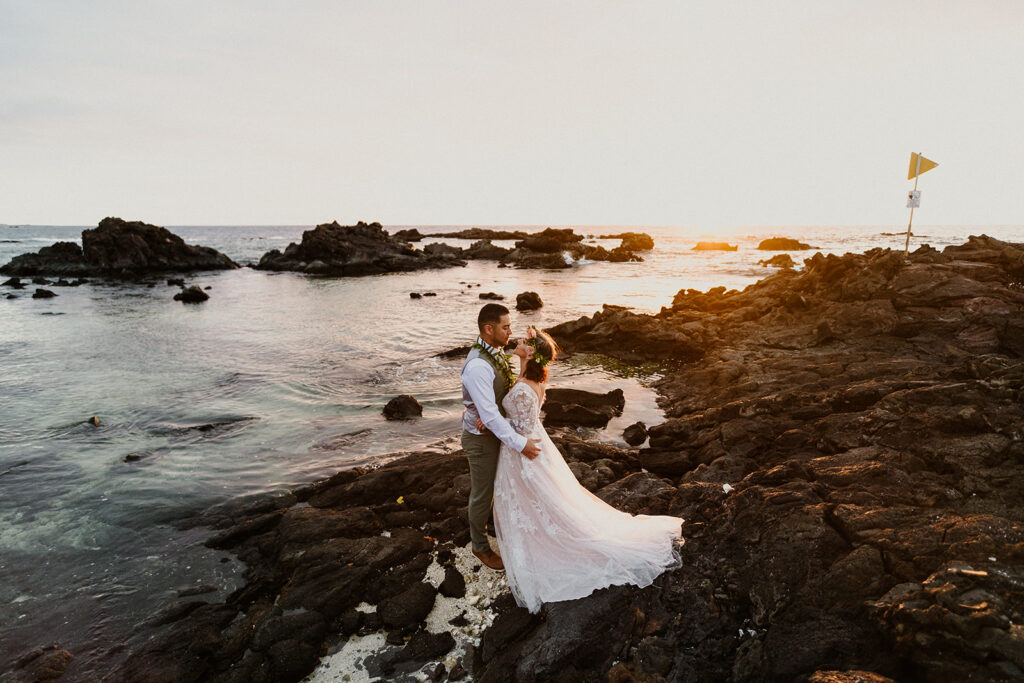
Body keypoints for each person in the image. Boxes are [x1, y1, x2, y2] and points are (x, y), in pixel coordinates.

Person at [493, 326, 684, 613]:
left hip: (524, 451)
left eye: (525, 341)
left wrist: (489, 421)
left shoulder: (523, 388)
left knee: (539, 503)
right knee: (546, 502)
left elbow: (519, 428)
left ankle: (542, 549)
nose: (518, 340)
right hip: (533, 446)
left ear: (532, 352)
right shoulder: (530, 379)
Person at [461, 303, 541, 570]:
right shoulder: (478, 367)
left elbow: (498, 398)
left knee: (500, 486)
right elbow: (491, 416)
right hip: (481, 438)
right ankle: (479, 547)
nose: (510, 331)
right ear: (488, 329)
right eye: (505, 327)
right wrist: (521, 444)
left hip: (495, 431)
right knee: (483, 493)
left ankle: (496, 527)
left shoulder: (495, 352)